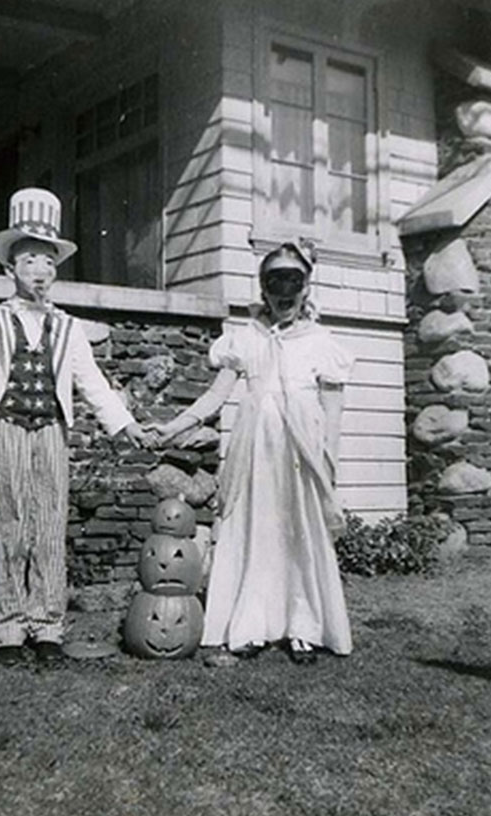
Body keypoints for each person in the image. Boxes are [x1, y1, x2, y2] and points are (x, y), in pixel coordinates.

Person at [0, 187, 153, 667]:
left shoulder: (68, 329)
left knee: (48, 525)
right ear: (10, 269)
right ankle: (9, 630)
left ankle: (47, 626)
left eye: (48, 262)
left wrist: (125, 425)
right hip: (5, 428)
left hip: (51, 431)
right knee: (7, 524)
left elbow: (92, 383)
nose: (40, 272)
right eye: (29, 261)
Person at [151, 242, 354, 664]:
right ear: (263, 289)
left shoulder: (321, 341)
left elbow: (333, 410)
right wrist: (172, 428)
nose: (285, 292)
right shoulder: (245, 338)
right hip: (256, 449)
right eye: (275, 281)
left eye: (293, 281)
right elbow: (215, 396)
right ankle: (252, 624)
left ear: (306, 288)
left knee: (299, 532)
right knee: (257, 530)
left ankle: (304, 627)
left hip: (302, 452)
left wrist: (328, 464)